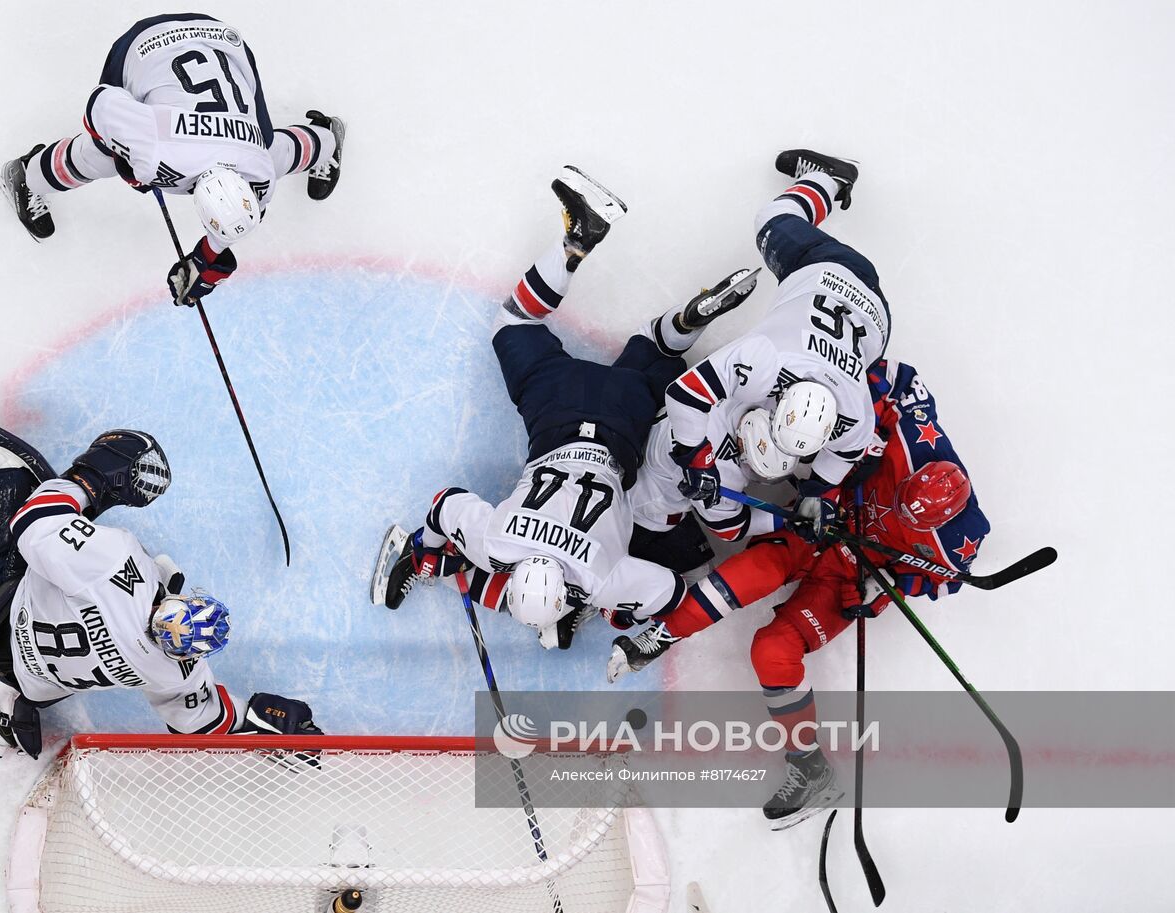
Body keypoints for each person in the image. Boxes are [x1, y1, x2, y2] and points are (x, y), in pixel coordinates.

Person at [0, 360, 320, 758]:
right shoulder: (177, 671)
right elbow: (205, 723)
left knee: (12, 468)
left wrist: (91, 480)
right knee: (60, 641)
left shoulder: (112, 569)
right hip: (28, 674)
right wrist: (260, 717)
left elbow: (32, 524)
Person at [372, 168, 752, 648]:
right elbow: (445, 503)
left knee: (653, 360)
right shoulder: (498, 546)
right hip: (559, 410)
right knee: (514, 321)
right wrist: (423, 547)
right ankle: (575, 244)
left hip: (627, 420)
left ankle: (683, 323)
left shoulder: (599, 580)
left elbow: (671, 592)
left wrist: (614, 611)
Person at [608, 359, 990, 829]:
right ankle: (660, 636)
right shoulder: (916, 444)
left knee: (773, 651)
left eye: (911, 522)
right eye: (899, 498)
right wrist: (841, 466)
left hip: (849, 575)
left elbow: (939, 580)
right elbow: (890, 374)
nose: (899, 514)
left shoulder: (958, 542)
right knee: (752, 571)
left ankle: (812, 770)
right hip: (822, 525)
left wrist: (885, 587)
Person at [0, 12, 346, 307]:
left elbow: (234, 218)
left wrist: (207, 259)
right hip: (147, 44)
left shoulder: (259, 176)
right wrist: (125, 158)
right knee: (98, 156)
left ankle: (328, 136)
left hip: (224, 40)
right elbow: (99, 104)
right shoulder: (160, 148)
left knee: (269, 149)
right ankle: (26, 175)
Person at [657, 149, 891, 543]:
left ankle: (830, 179)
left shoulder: (853, 413)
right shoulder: (772, 363)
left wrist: (819, 494)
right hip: (843, 287)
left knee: (773, 221)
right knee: (771, 222)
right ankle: (828, 179)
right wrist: (817, 492)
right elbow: (684, 394)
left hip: (873, 319)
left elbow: (847, 451)